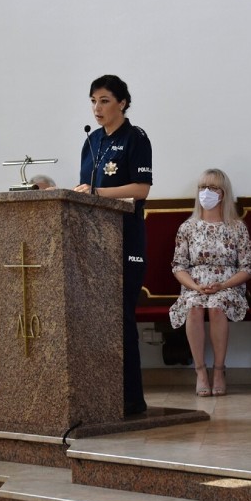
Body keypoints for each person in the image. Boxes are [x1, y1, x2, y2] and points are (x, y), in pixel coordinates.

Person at [73, 74, 152, 415]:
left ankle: (131, 399)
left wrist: (97, 193)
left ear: (122, 102)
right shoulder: (91, 143)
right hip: (93, 242)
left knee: (121, 319)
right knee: (96, 320)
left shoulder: (136, 138)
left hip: (126, 240)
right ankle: (101, 394)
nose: (97, 108)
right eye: (93, 101)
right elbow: (84, 187)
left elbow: (141, 189)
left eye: (104, 100)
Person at [169, 168, 251, 397]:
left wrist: (223, 285)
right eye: (202, 188)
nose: (206, 193)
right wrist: (195, 287)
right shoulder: (187, 227)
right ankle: (200, 372)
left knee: (217, 308)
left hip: (227, 286)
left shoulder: (236, 227)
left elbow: (247, 268)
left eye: (213, 188)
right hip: (194, 285)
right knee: (194, 308)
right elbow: (178, 266)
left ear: (223, 193)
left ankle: (219, 370)